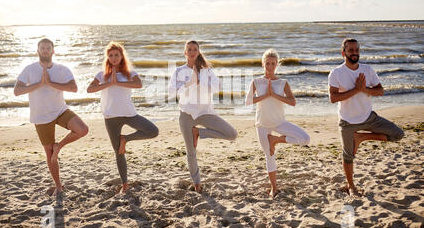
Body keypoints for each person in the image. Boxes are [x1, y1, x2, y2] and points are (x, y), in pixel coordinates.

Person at [328, 38, 404, 197]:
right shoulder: (336, 73)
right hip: (347, 122)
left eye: (356, 50)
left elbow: (380, 91)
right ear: (343, 53)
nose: (354, 53)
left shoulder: (368, 70)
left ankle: (362, 137)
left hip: (369, 118)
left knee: (398, 134)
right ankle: (351, 186)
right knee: (348, 156)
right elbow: (333, 98)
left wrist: (365, 89)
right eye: (350, 50)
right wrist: (356, 89)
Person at [14, 38, 89, 196]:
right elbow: (17, 90)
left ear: (53, 51)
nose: (46, 50)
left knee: (82, 129)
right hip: (41, 116)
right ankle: (58, 186)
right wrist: (40, 84)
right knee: (49, 153)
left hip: (60, 111)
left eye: (48, 48)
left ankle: (59, 146)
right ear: (38, 51)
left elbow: (74, 88)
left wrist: (50, 83)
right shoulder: (29, 69)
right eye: (43, 48)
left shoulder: (62, 69)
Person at [87, 42, 158, 194]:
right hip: (110, 116)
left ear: (121, 56)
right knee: (119, 153)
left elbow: (139, 85)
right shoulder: (102, 75)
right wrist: (108, 83)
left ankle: (126, 139)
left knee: (153, 131)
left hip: (128, 114)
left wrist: (117, 82)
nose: (113, 58)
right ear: (107, 58)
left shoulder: (129, 73)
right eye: (110, 55)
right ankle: (125, 184)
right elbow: (89, 89)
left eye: (116, 55)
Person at [168, 40, 238, 193]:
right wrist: (189, 83)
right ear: (185, 52)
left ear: (198, 52)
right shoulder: (179, 71)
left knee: (232, 134)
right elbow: (171, 91)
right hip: (186, 115)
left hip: (205, 113)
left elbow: (218, 86)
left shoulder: (206, 70)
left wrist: (201, 81)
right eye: (189, 49)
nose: (192, 52)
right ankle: (197, 183)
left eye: (195, 49)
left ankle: (199, 133)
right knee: (191, 151)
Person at [245, 48, 310, 198]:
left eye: (273, 63)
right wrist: (265, 95)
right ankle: (274, 187)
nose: (270, 66)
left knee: (305, 139)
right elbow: (248, 101)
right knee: (269, 155)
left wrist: (274, 94)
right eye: (267, 63)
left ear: (277, 65)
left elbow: (293, 102)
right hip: (262, 124)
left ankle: (276, 140)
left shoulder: (283, 83)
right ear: (263, 64)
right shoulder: (256, 82)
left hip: (279, 122)